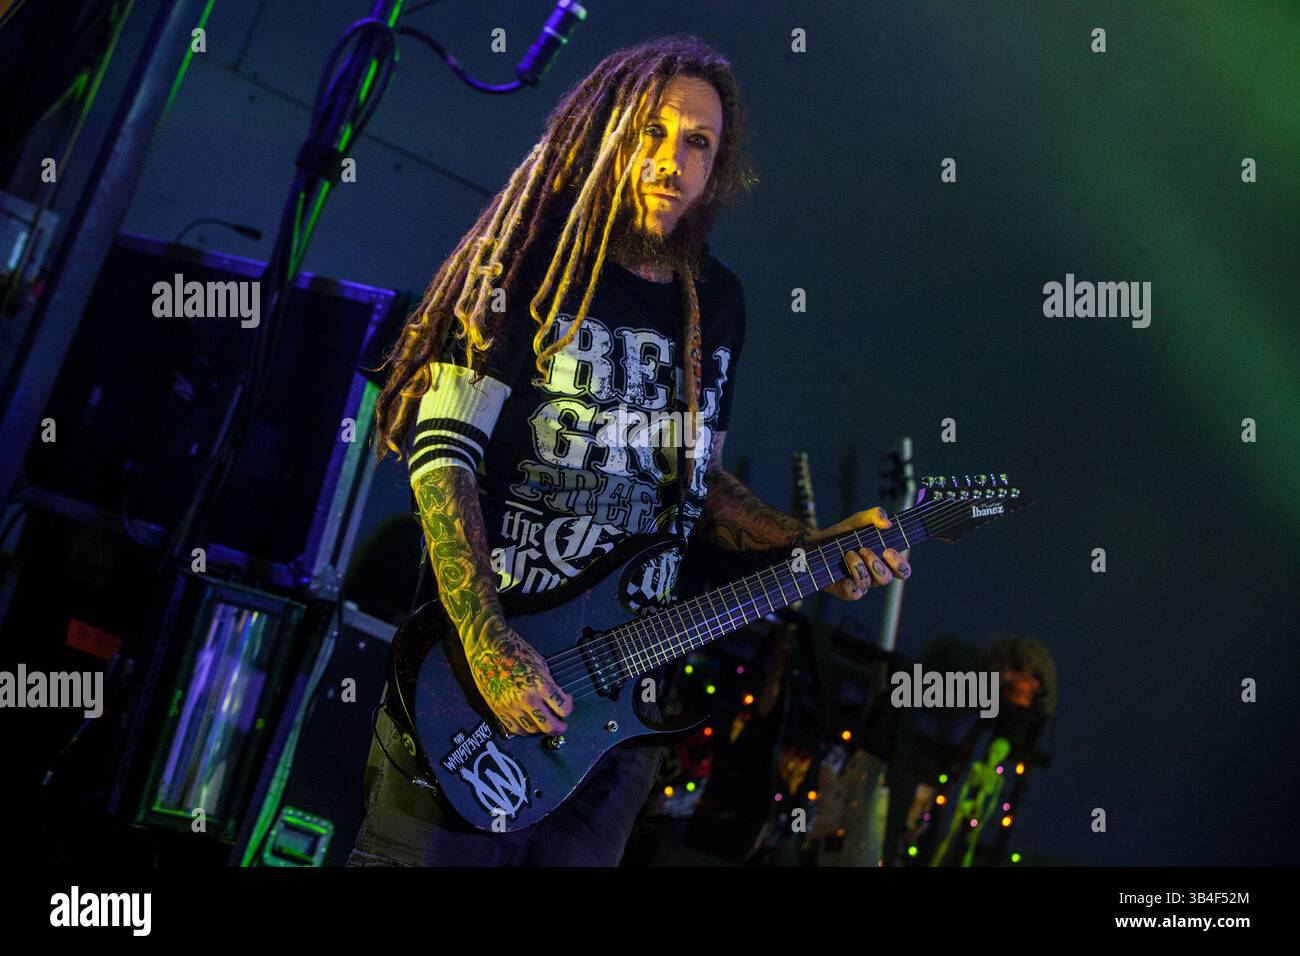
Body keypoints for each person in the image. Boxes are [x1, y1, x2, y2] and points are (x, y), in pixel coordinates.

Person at [348, 34, 912, 867]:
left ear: (717, 171)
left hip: (620, 721)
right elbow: (442, 454)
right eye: (651, 131)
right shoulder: (526, 262)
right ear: (604, 133)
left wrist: (812, 544)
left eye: (698, 142)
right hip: (476, 689)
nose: (670, 160)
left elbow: (696, 485)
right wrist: (487, 640)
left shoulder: (714, 301)